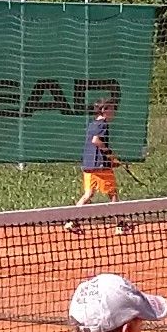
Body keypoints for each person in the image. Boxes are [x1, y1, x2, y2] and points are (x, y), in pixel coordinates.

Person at [67, 99, 128, 233]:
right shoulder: (103, 124)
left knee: (88, 194)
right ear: (104, 110)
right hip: (101, 167)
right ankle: (120, 225)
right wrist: (110, 156)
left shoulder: (92, 124)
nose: (114, 112)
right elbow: (96, 141)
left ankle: (72, 221)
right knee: (113, 194)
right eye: (111, 109)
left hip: (89, 165)